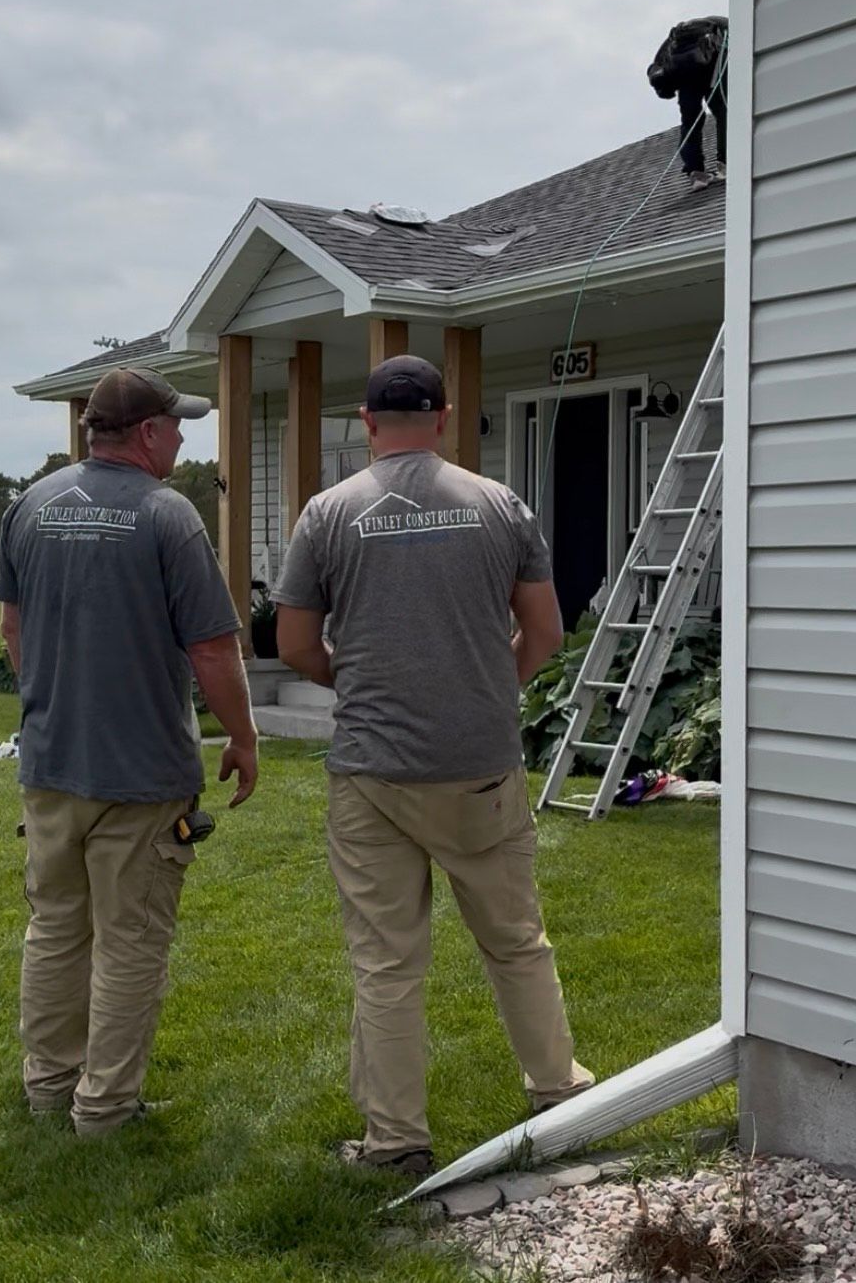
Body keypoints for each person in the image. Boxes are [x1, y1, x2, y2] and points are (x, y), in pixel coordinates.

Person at [274, 354, 594, 1177]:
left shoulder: (326, 514)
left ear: (367, 421)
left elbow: (296, 644)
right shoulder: (500, 504)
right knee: (518, 942)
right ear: (444, 418)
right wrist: (490, 688)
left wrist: (358, 679)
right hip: (478, 767)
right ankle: (559, 1094)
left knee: (386, 962)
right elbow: (547, 633)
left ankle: (395, 1143)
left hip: (372, 772)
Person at [0, 366, 258, 1137]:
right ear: (145, 433)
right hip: (141, 776)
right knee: (131, 940)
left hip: (49, 765)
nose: (181, 436)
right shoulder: (169, 517)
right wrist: (241, 737)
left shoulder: (30, 506)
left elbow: (12, 630)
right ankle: (104, 1109)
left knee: (55, 929)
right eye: (175, 424)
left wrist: (50, 696)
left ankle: (48, 1088)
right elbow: (212, 649)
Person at [646, 15, 728, 190]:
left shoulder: (672, 42)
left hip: (687, 78)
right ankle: (725, 164)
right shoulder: (720, 25)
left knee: (690, 122)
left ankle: (696, 173)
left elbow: (659, 68)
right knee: (723, 113)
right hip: (711, 69)